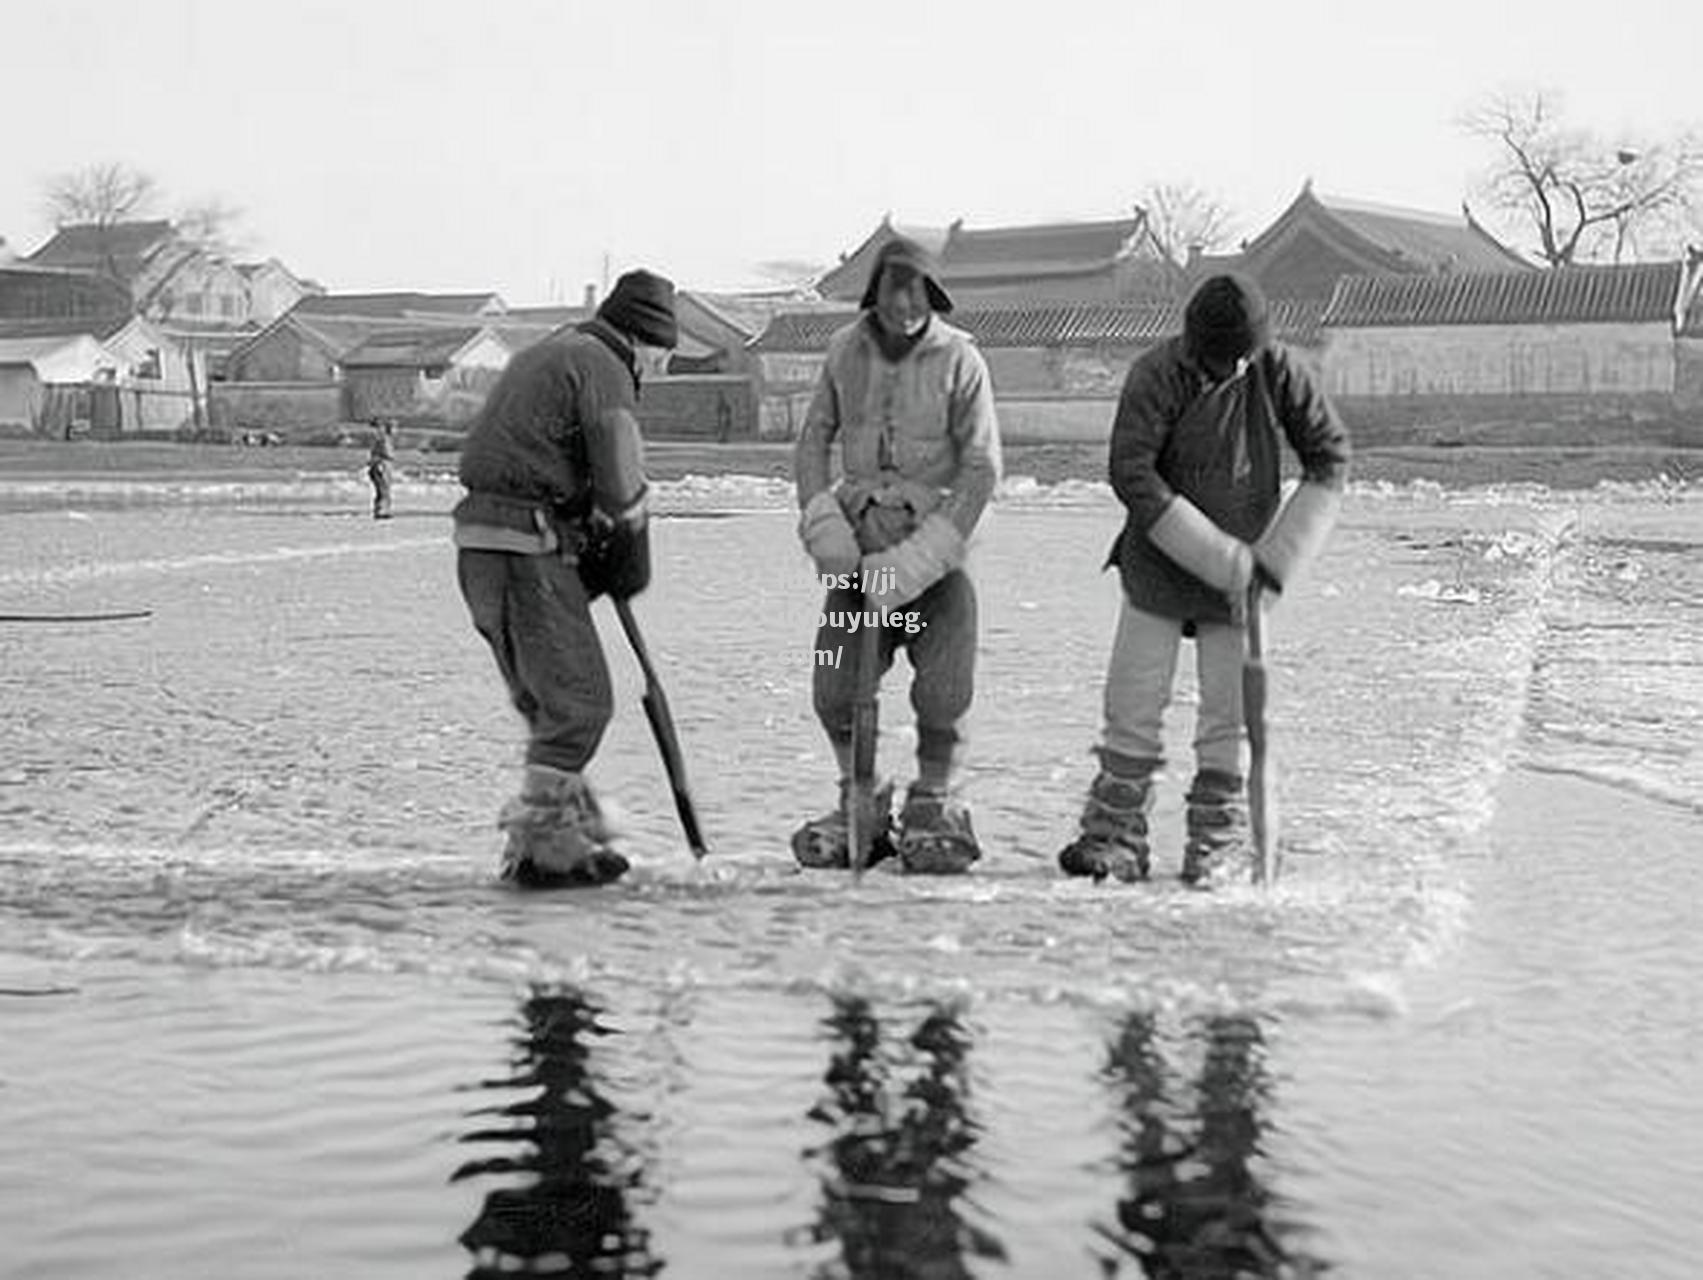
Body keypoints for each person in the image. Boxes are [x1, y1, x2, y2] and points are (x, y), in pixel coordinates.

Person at [1057, 272, 1350, 888]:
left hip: (1246, 578)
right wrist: (1218, 557)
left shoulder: (1278, 371)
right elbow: (1131, 473)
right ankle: (1116, 833)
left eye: (1243, 354)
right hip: (1160, 562)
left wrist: (1273, 562)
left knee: (1231, 715)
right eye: (1221, 358)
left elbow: (1330, 458)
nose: (1233, 366)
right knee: (1132, 704)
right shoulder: (1157, 373)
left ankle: (1217, 842)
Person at [452, 269, 678, 887]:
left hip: (480, 542)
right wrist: (628, 547)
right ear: (644, 339)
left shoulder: (551, 350)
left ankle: (570, 824)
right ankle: (543, 841)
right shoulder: (603, 367)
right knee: (580, 704)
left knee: (546, 703)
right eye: (662, 358)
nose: (657, 373)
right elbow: (621, 472)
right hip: (528, 542)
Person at [792, 237, 1002, 874]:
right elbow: (811, 445)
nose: (905, 304)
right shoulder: (842, 352)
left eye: (917, 292)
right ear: (874, 294)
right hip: (855, 572)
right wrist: (825, 527)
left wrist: (921, 556)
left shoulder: (962, 361)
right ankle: (858, 802)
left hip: (934, 573)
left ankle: (936, 803)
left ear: (931, 297)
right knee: (833, 685)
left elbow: (982, 469)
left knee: (944, 692)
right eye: (893, 290)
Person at [366, 418, 396, 519]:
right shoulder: (381, 439)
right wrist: (378, 465)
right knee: (383, 490)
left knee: (383, 490)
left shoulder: (383, 438)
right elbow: (377, 454)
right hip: (382, 465)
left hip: (384, 464)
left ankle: (381, 509)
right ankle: (381, 510)